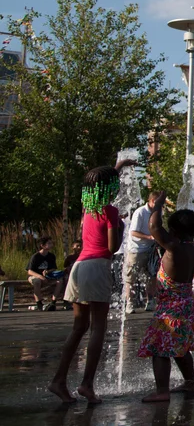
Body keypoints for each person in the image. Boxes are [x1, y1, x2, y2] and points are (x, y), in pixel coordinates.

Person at [49, 162, 130, 404]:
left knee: (79, 327)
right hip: (97, 268)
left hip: (79, 268)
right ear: (109, 188)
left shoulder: (88, 208)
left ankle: (59, 380)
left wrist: (119, 165)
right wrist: (120, 226)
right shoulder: (110, 211)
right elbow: (112, 247)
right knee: (98, 328)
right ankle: (86, 384)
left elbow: (98, 179)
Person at [138, 191, 194, 402]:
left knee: (160, 349)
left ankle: (162, 391)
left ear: (173, 231)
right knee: (181, 347)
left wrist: (157, 207)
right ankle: (190, 382)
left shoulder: (174, 248)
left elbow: (153, 227)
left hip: (170, 308)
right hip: (187, 306)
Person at [124, 192, 160, 314]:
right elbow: (133, 232)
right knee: (131, 278)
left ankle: (150, 301)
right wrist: (149, 237)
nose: (157, 204)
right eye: (155, 201)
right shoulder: (140, 212)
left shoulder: (157, 212)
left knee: (151, 275)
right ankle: (129, 303)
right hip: (136, 250)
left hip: (150, 249)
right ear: (150, 201)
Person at [27, 236, 66, 311]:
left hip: (48, 276)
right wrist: (40, 276)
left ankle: (53, 302)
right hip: (35, 276)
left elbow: (54, 268)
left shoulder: (51, 256)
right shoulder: (35, 256)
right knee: (37, 281)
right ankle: (39, 303)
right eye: (49, 243)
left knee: (60, 281)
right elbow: (29, 271)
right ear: (42, 245)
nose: (51, 244)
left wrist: (48, 271)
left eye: (51, 243)